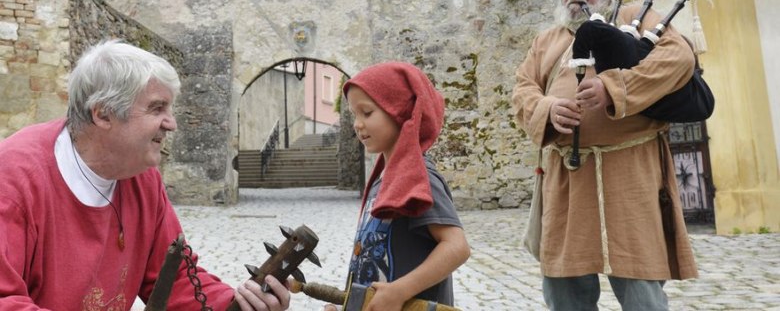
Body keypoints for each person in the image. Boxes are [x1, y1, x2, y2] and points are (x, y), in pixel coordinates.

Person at [0, 40, 290, 311]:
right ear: (103, 114)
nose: (172, 123)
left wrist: (236, 304)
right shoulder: (13, 179)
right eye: (157, 108)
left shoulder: (140, 176)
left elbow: (173, 278)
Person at [512, 0, 699, 310]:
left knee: (641, 289)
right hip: (566, 180)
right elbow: (523, 90)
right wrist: (548, 109)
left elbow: (677, 59)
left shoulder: (636, 19)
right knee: (564, 291)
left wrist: (614, 88)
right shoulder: (547, 42)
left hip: (629, 176)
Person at [324, 62, 470, 311]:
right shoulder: (382, 181)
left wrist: (401, 291)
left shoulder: (419, 177)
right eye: (354, 114)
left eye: (367, 113)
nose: (357, 124)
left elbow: (457, 247)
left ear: (399, 112)